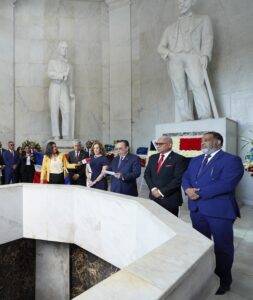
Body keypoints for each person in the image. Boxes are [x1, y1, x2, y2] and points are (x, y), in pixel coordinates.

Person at [182, 132, 244, 295]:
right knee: (201, 245)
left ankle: (223, 281)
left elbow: (227, 184)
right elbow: (186, 177)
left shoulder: (231, 160)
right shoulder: (195, 160)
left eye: (207, 140)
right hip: (197, 210)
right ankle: (204, 275)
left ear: (218, 142)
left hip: (219, 211)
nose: (202, 143)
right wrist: (187, 189)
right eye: (202, 141)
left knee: (222, 247)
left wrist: (199, 193)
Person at [158, 0, 214, 122]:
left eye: (184, 1)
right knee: (179, 90)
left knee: (198, 84)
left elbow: (207, 38)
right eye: (179, 2)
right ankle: (186, 118)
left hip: (193, 56)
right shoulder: (170, 28)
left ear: (193, 2)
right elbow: (160, 47)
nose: (181, 4)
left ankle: (205, 115)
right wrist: (170, 54)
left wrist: (205, 54)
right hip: (175, 59)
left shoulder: (203, 19)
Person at [144, 135, 186, 217]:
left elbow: (178, 179)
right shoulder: (153, 157)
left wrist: (161, 192)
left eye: (161, 144)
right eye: (157, 144)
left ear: (170, 145)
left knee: (169, 224)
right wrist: (153, 189)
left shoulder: (179, 159)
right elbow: (147, 175)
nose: (158, 146)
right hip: (153, 197)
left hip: (170, 199)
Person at [48, 41, 74, 140]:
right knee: (54, 111)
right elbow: (50, 74)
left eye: (66, 48)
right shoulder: (52, 62)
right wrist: (61, 76)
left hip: (64, 87)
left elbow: (70, 80)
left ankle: (66, 134)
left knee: (66, 111)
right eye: (63, 48)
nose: (65, 50)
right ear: (59, 49)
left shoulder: (68, 65)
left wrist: (71, 91)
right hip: (55, 86)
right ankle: (56, 135)